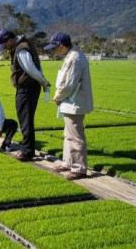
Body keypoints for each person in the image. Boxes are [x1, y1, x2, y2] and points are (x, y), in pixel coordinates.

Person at [0, 29, 50, 161]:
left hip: (27, 89)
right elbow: (37, 66)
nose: (5, 48)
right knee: (26, 119)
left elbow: (30, 69)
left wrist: (43, 81)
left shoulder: (21, 49)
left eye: (5, 44)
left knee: (25, 120)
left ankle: (27, 151)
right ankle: (28, 148)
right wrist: (43, 80)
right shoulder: (24, 45)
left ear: (10, 40)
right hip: (29, 88)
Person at [44, 32, 93, 180]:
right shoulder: (72, 55)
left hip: (74, 102)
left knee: (75, 136)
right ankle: (68, 162)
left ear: (62, 46)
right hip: (70, 102)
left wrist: (57, 96)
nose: (54, 51)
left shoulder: (75, 58)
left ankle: (79, 168)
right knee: (68, 135)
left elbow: (68, 85)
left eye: (55, 48)